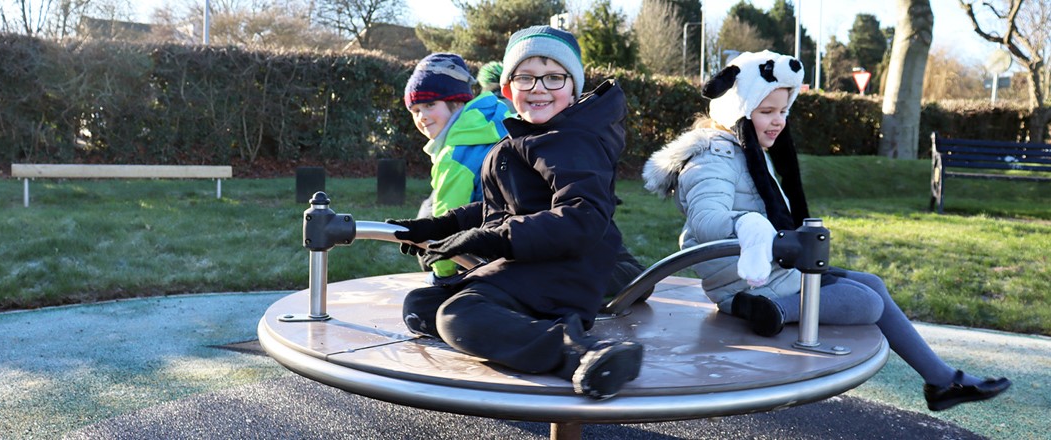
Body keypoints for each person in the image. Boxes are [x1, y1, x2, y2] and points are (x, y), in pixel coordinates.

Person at [641, 50, 1011, 412]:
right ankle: (768, 309)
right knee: (868, 304)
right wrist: (753, 227)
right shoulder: (714, 157)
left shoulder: (743, 147)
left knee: (873, 284)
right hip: (744, 279)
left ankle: (941, 381)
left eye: (783, 111)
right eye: (766, 111)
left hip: (768, 268)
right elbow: (707, 222)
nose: (778, 121)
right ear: (736, 109)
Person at [388, 25, 642, 400]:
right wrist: (437, 225)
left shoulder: (571, 141)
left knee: (458, 316)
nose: (538, 88)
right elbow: (500, 208)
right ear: (508, 89)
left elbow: (581, 216)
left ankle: (581, 353)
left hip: (564, 269)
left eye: (554, 77)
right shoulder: (523, 140)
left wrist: (489, 239)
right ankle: (519, 326)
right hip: (534, 263)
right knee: (423, 305)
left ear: (573, 90)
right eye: (525, 77)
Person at [403, 52, 511, 279]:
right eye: (416, 110)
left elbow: (445, 219)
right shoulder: (496, 121)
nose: (422, 117)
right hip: (514, 242)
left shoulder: (454, 155)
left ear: (457, 101)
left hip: (484, 258)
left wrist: (442, 274)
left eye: (430, 105)